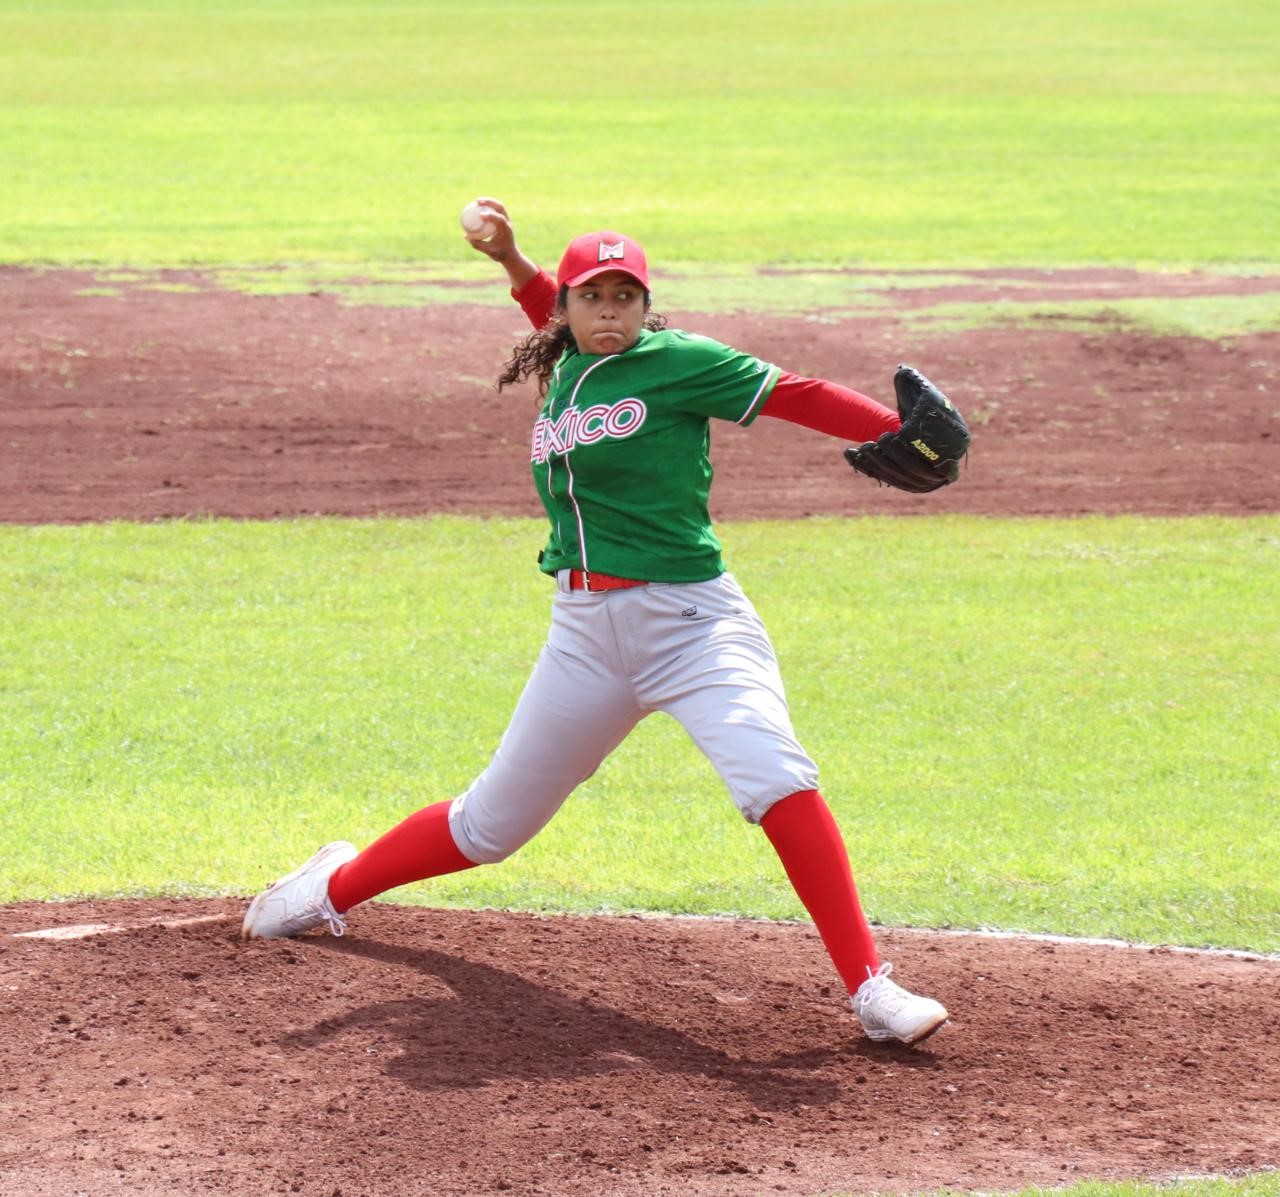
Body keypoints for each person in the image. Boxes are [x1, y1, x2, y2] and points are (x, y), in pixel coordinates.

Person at [242, 198, 953, 1046]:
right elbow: (546, 307)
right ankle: (329, 887)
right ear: (568, 308)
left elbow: (795, 393)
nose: (609, 311)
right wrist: (512, 260)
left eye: (626, 296)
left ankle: (872, 986)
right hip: (583, 635)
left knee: (775, 775)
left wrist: (897, 430)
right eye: (592, 297)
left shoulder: (679, 362)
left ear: (647, 305)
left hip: (693, 625)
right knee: (489, 826)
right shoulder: (571, 364)